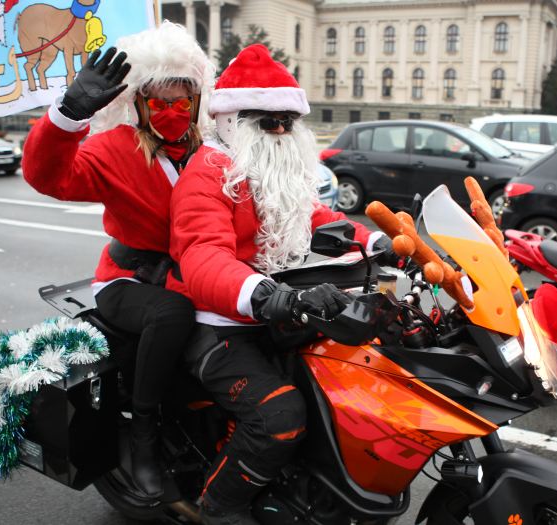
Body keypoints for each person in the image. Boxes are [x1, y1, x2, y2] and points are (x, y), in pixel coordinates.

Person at [169, 44, 396, 525]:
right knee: (279, 416)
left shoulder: (270, 168)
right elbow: (202, 256)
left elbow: (315, 216)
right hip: (219, 321)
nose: (278, 130)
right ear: (231, 118)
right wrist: (272, 296)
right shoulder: (209, 170)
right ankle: (218, 508)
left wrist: (378, 241)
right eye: (265, 120)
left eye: (286, 121)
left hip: (277, 309)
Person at [21, 22, 214, 496]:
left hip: (202, 273)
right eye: (160, 102)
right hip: (132, 280)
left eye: (182, 101)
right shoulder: (114, 148)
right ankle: (145, 437)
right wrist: (67, 116)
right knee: (172, 314)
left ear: (197, 101)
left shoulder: (213, 150)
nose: (172, 112)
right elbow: (50, 178)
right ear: (139, 103)